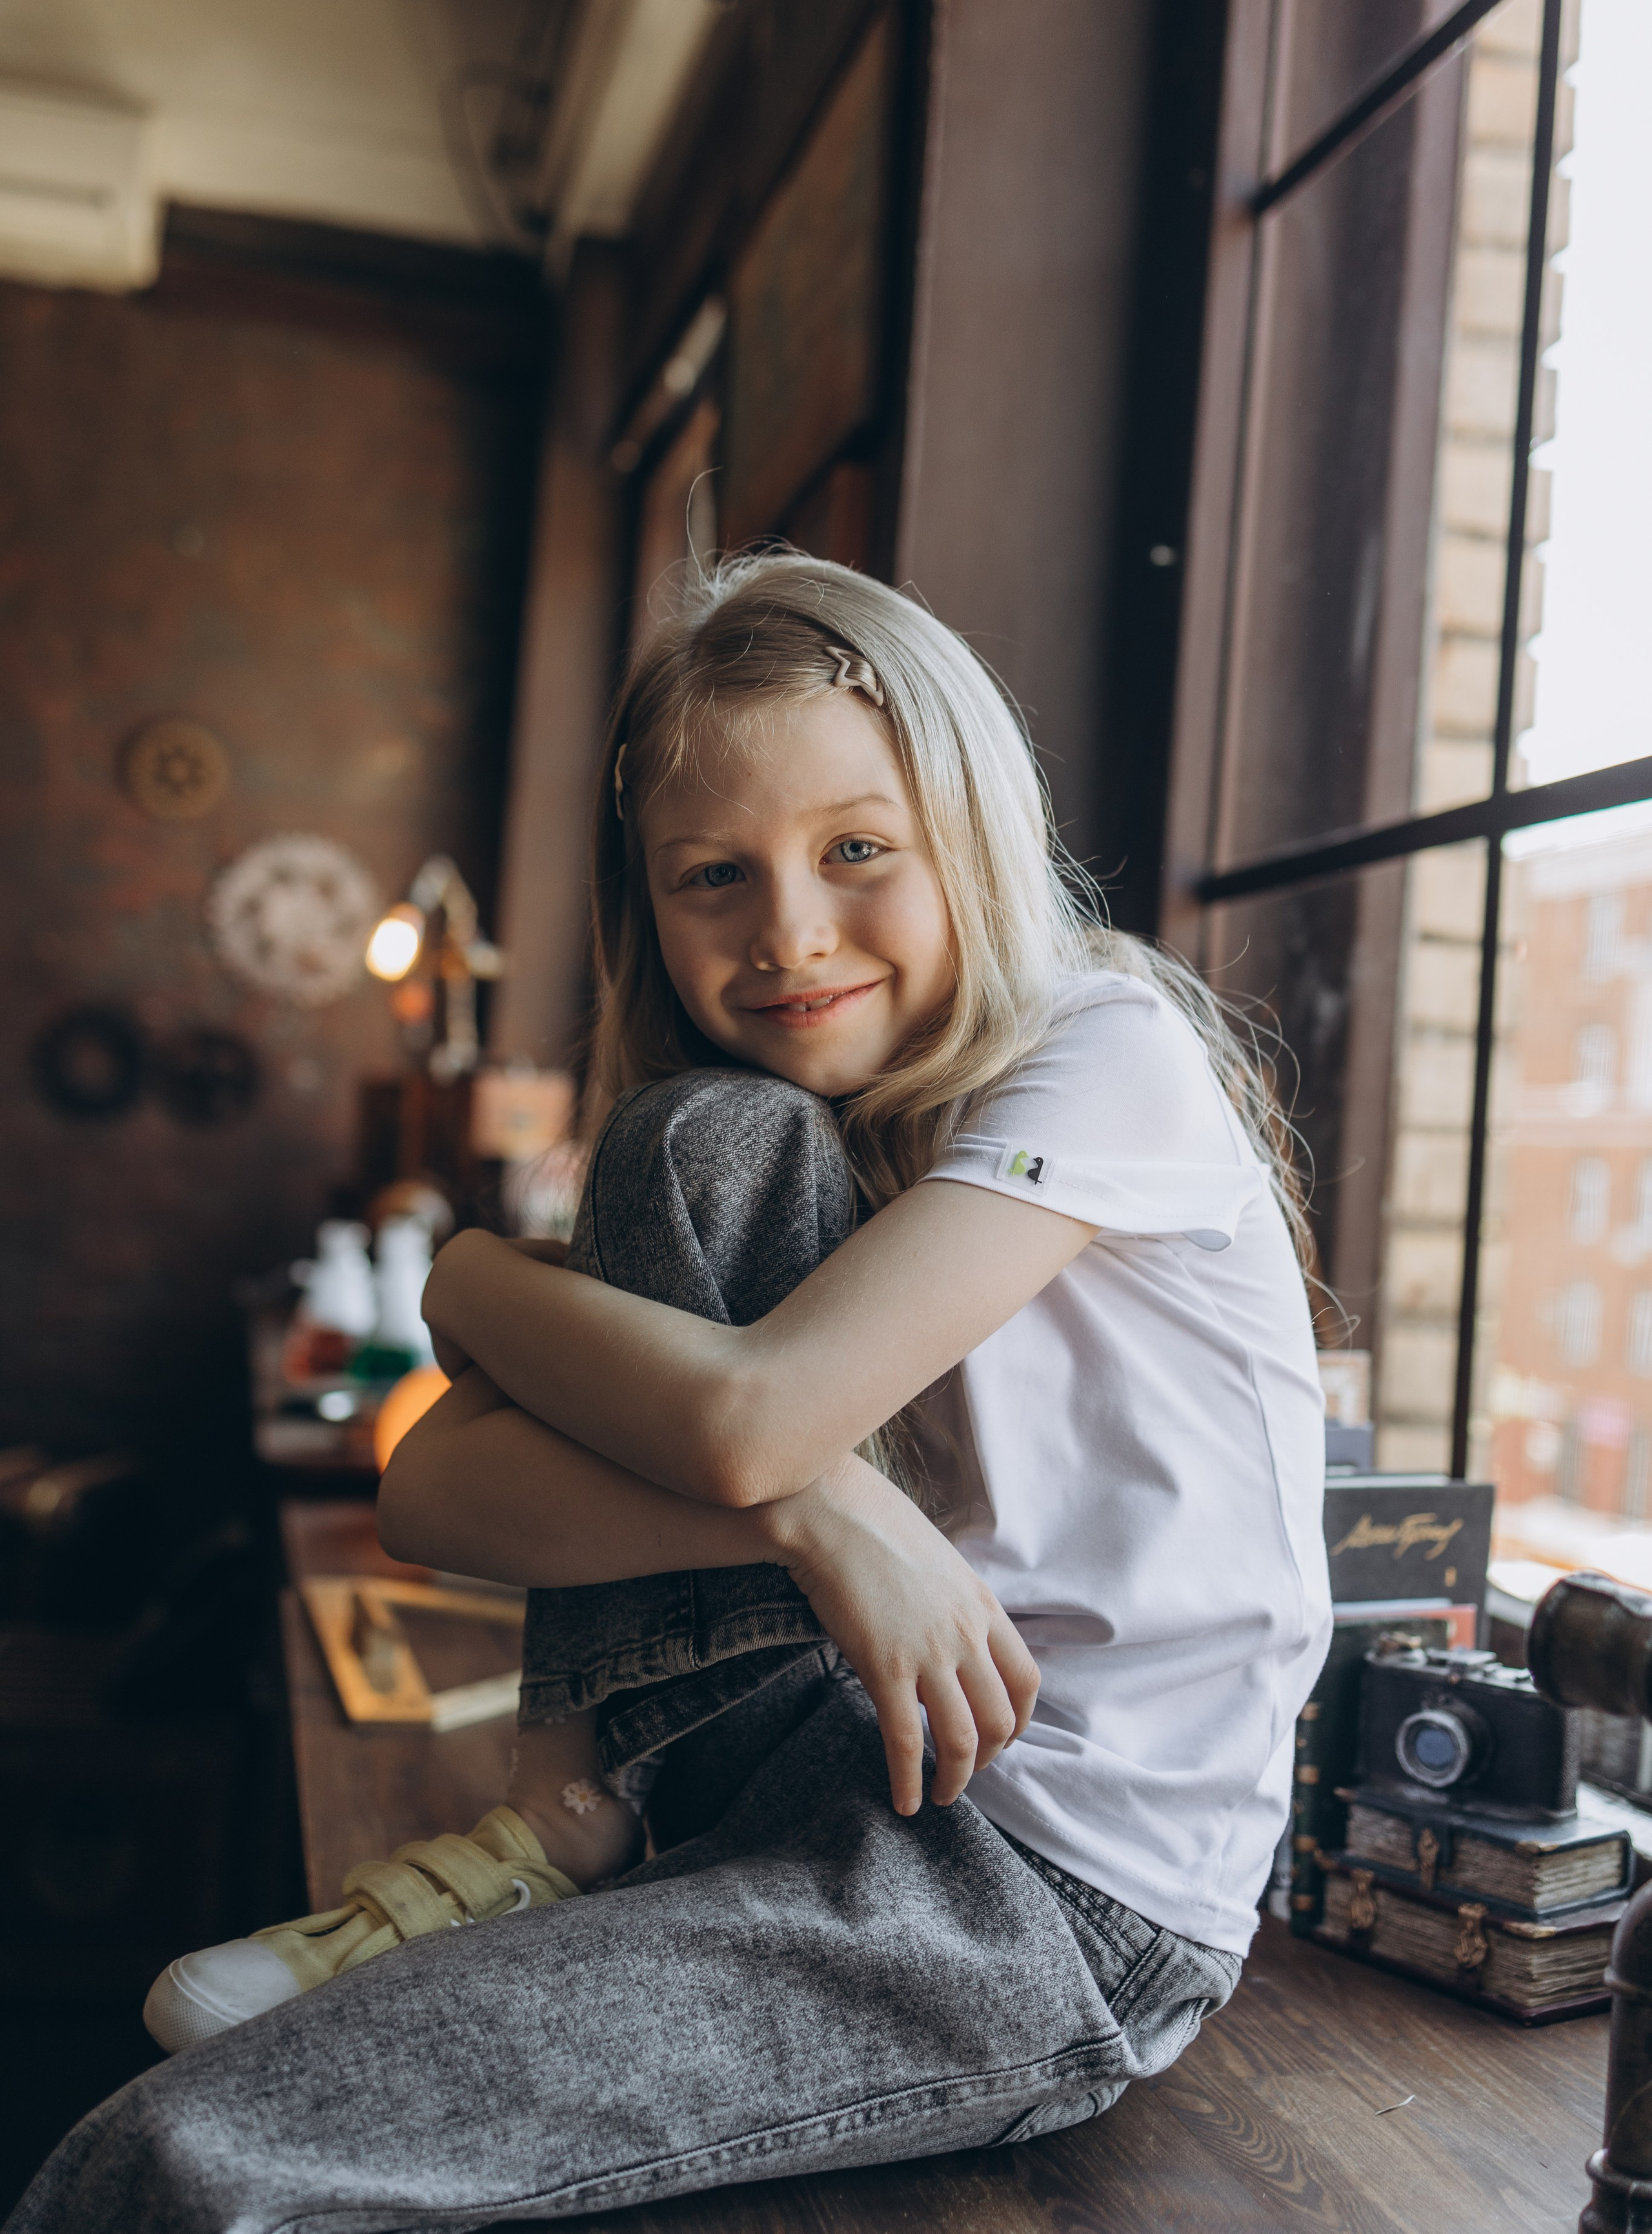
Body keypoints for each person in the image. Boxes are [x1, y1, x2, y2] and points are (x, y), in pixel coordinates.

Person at [8, 554, 1332, 2234]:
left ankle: (569, 1818)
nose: (788, 930)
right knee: (712, 1136)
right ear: (648, 908)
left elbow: (745, 1419)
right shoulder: (802, 1126)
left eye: (859, 849)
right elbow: (431, 1488)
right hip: (817, 1732)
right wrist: (829, 1520)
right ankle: (559, 1812)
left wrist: (475, 1281)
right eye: (717, 875)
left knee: (187, 2159)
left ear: (976, 833)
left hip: (1047, 1893)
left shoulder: (1106, 1047)